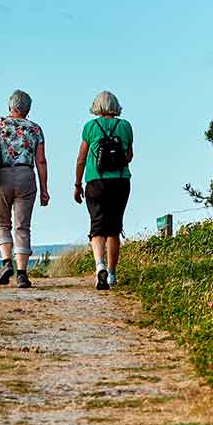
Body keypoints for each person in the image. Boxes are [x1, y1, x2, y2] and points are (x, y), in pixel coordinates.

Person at [0, 89, 49, 289]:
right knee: (23, 226)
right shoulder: (36, 129)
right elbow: (41, 161)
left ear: (10, 106)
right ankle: (22, 274)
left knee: (2, 223)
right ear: (28, 109)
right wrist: (45, 189)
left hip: (1, 176)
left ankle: (6, 263)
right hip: (25, 176)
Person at [75, 90, 133, 291]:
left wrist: (77, 184)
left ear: (96, 106)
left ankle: (100, 266)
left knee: (97, 226)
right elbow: (129, 156)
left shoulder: (90, 127)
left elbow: (81, 158)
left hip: (95, 182)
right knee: (114, 229)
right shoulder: (125, 126)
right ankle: (112, 274)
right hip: (120, 181)